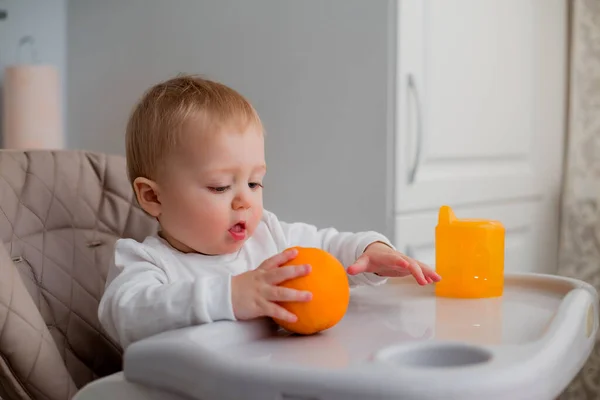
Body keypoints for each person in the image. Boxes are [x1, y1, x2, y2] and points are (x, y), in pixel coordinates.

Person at [97, 75, 441, 349]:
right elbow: (126, 314)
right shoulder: (146, 263)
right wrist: (231, 296)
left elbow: (326, 246)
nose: (244, 201)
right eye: (220, 186)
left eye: (254, 183)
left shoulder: (267, 236)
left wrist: (369, 251)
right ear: (153, 197)